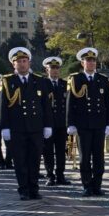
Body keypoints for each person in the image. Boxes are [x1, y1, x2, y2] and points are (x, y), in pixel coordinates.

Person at [0, 47, 51, 201]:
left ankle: (34, 189)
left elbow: (45, 105)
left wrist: (47, 125)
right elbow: (3, 106)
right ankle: (23, 189)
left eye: (24, 61)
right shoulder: (8, 81)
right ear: (13, 64)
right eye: (18, 62)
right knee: (20, 160)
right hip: (17, 128)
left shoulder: (39, 80)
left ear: (29, 62)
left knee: (34, 160)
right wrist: (4, 127)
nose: (22, 64)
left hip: (36, 127)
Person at [66, 47, 109, 196]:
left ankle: (97, 185)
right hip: (83, 125)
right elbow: (70, 103)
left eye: (93, 60)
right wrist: (71, 123)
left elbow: (108, 103)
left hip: (99, 124)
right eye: (88, 61)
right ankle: (86, 185)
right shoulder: (75, 79)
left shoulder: (103, 80)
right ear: (82, 62)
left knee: (99, 157)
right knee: (85, 157)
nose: (91, 63)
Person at [41, 56, 69, 186]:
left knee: (61, 151)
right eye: (52, 68)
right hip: (48, 124)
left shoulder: (65, 84)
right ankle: (50, 175)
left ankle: (60, 175)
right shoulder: (42, 84)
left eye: (57, 68)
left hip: (62, 123)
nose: (55, 71)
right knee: (48, 151)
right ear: (47, 70)